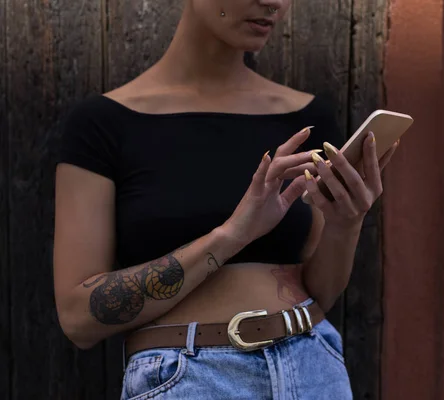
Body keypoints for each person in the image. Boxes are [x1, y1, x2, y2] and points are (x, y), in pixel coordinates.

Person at [53, 1, 399, 399]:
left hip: (312, 364)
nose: (274, 3)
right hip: (186, 376)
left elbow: (321, 290)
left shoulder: (306, 119)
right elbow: (79, 317)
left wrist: (346, 223)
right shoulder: (102, 124)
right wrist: (234, 234)